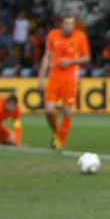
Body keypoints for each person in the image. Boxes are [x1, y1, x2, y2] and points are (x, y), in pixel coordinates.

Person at [38, 14, 89, 150]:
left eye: (72, 24)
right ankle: (55, 133)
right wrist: (41, 78)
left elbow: (86, 58)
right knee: (49, 110)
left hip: (70, 79)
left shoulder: (80, 37)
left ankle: (60, 141)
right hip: (54, 78)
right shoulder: (52, 35)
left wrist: (71, 62)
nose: (69, 26)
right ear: (61, 24)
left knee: (67, 111)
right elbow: (46, 56)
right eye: (67, 23)